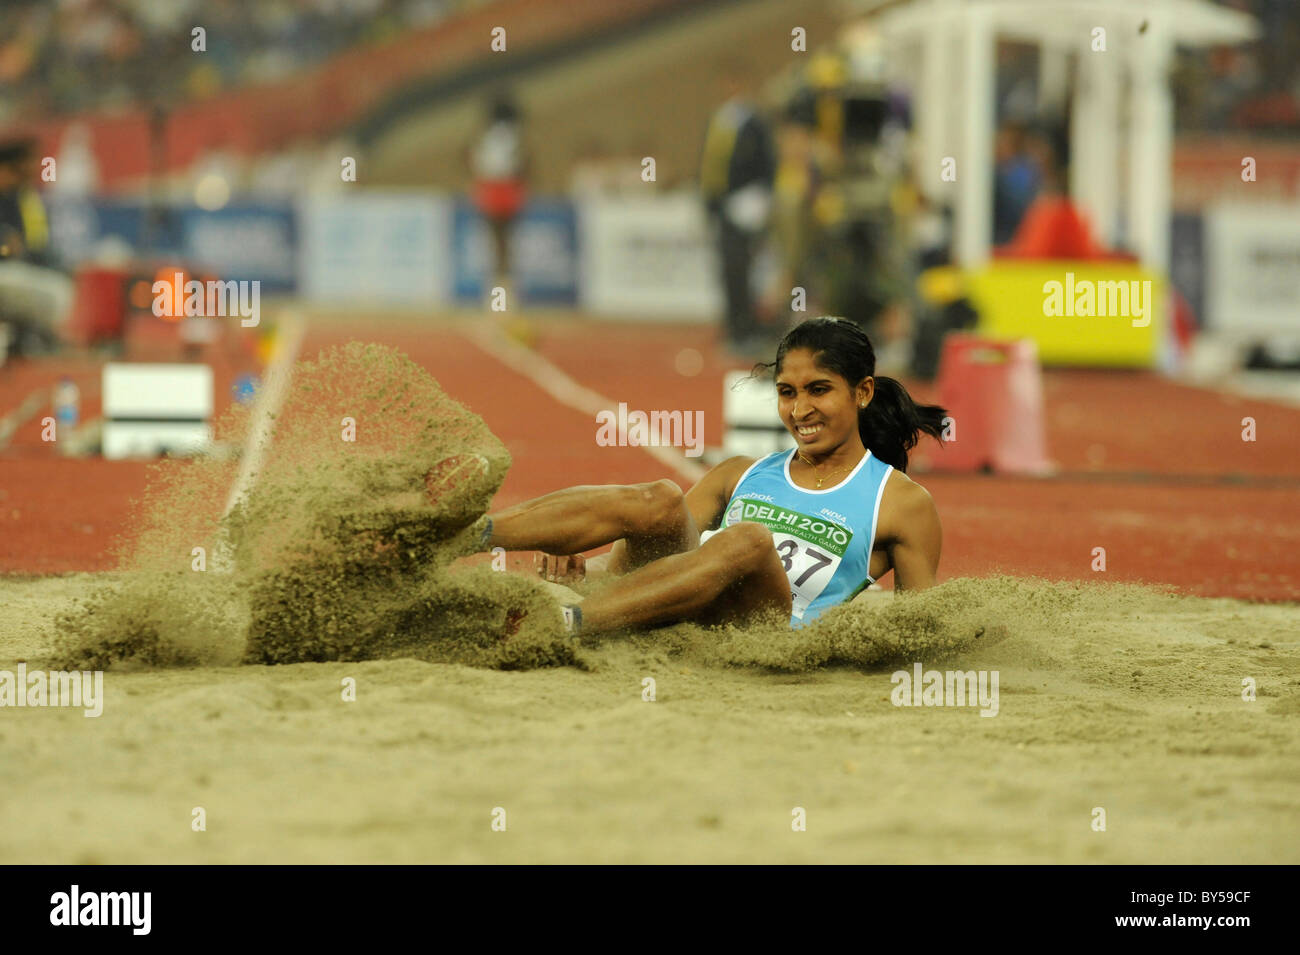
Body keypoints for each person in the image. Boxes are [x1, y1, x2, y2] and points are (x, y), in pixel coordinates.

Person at [471, 316, 947, 637]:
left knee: (748, 541)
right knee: (660, 497)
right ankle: (469, 532)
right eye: (786, 393)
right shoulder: (741, 472)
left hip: (759, 630)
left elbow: (916, 628)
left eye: (818, 391)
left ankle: (566, 625)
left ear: (862, 392)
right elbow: (641, 562)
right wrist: (584, 569)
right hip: (675, 604)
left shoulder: (901, 503)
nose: (800, 410)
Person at [699, 67, 777, 357]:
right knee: (729, 269)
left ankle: (747, 328)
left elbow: (767, 162)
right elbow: (709, 163)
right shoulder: (719, 119)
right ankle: (734, 326)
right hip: (722, 203)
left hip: (746, 202)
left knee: (743, 268)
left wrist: (761, 197)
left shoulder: (753, 121)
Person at [469, 90, 527, 297]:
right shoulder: (513, 134)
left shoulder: (489, 135)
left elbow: (477, 160)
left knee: (498, 241)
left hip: (496, 185)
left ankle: (500, 286)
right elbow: (521, 163)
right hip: (505, 185)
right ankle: (503, 285)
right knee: (504, 241)